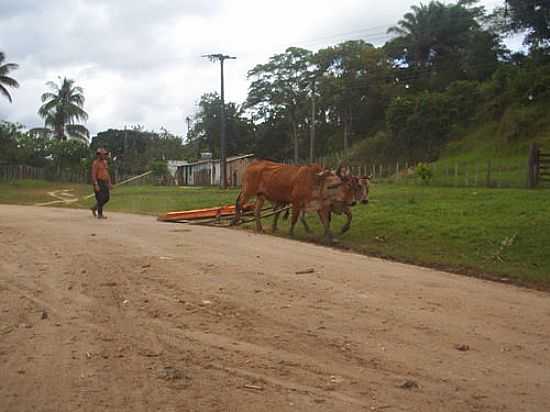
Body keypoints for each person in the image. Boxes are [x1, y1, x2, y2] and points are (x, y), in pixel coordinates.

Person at [91, 148, 112, 219]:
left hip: (104, 182)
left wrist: (109, 183)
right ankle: (100, 214)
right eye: (104, 154)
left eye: (106, 154)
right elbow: (93, 175)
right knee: (100, 199)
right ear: (99, 155)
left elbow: (107, 173)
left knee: (107, 198)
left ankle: (94, 207)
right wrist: (96, 184)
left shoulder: (105, 162)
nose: (105, 156)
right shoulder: (95, 163)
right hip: (98, 182)